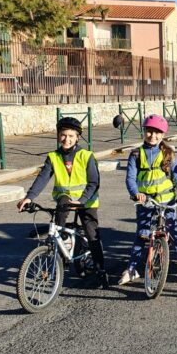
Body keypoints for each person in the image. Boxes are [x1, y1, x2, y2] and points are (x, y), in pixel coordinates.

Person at [17, 116, 108, 288]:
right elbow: (43, 178)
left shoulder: (86, 156)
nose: (66, 139)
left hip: (86, 200)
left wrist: (81, 201)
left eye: (71, 136)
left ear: (77, 138)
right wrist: (30, 197)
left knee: (92, 234)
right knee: (57, 223)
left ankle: (100, 269)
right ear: (58, 136)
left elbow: (94, 183)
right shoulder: (53, 157)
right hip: (65, 198)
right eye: (63, 135)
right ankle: (60, 257)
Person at [119, 115, 177, 285]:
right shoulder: (136, 154)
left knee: (174, 232)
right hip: (146, 201)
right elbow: (130, 178)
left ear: (163, 135)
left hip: (167, 201)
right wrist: (135, 193)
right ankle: (131, 269)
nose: (153, 136)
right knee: (142, 234)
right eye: (149, 131)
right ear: (144, 131)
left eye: (157, 133)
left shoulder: (168, 153)